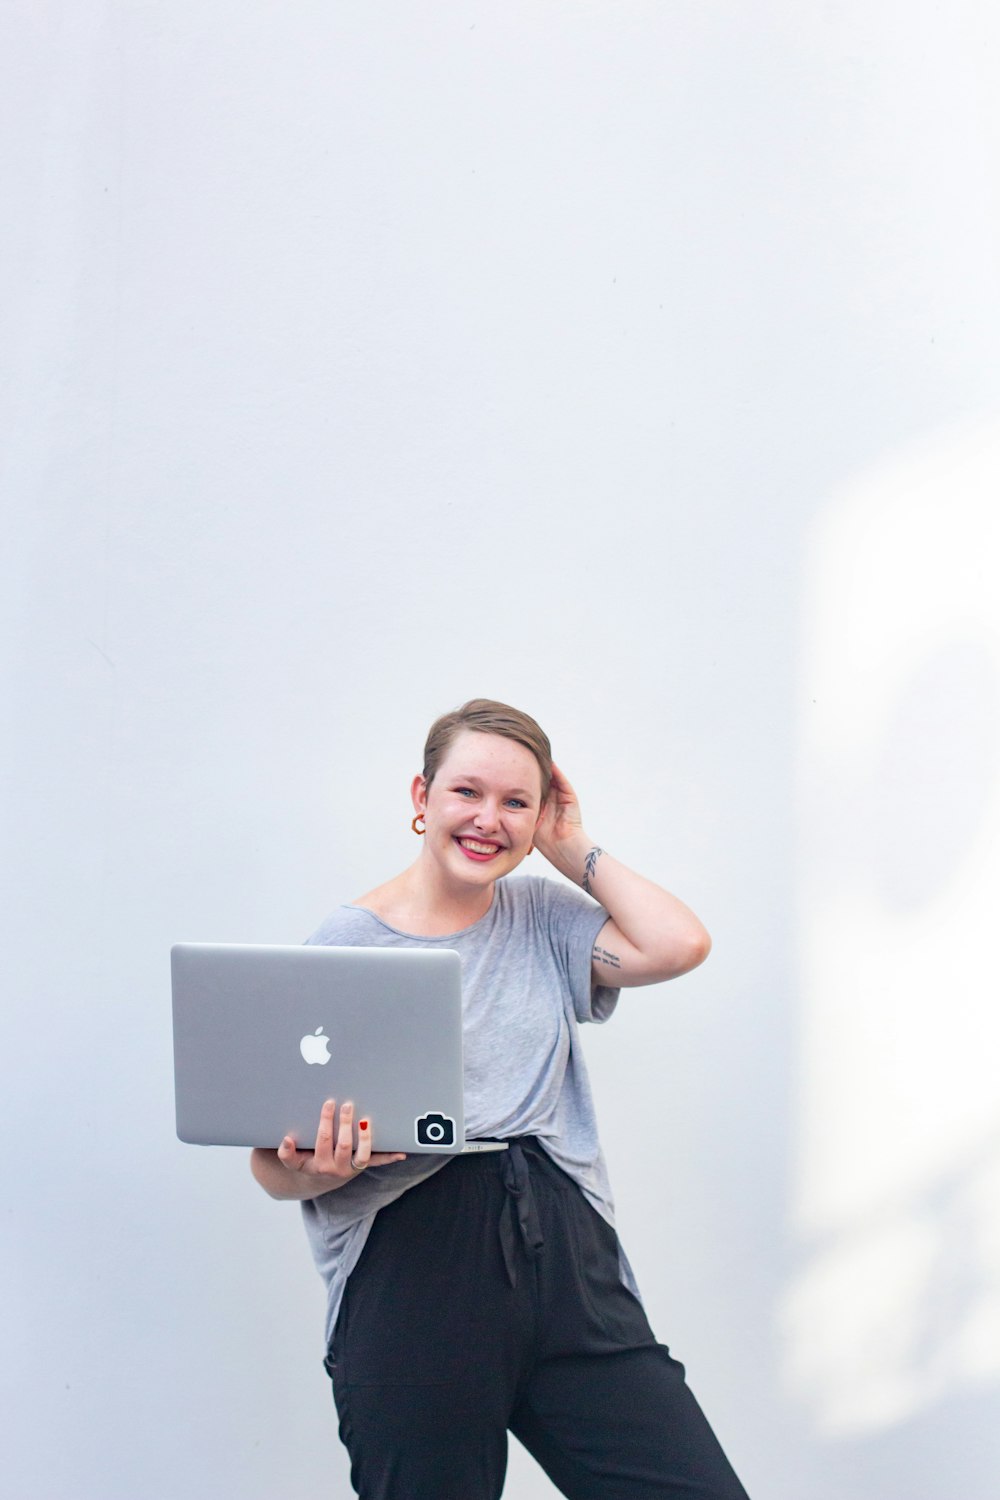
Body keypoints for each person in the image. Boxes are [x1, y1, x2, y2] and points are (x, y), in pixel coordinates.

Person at [250, 699, 749, 1500]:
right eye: (467, 793)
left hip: (564, 1254)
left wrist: (569, 844)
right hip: (412, 1274)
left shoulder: (546, 918)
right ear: (422, 798)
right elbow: (270, 1167)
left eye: (516, 802)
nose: (489, 820)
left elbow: (678, 943)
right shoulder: (346, 946)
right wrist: (320, 1170)